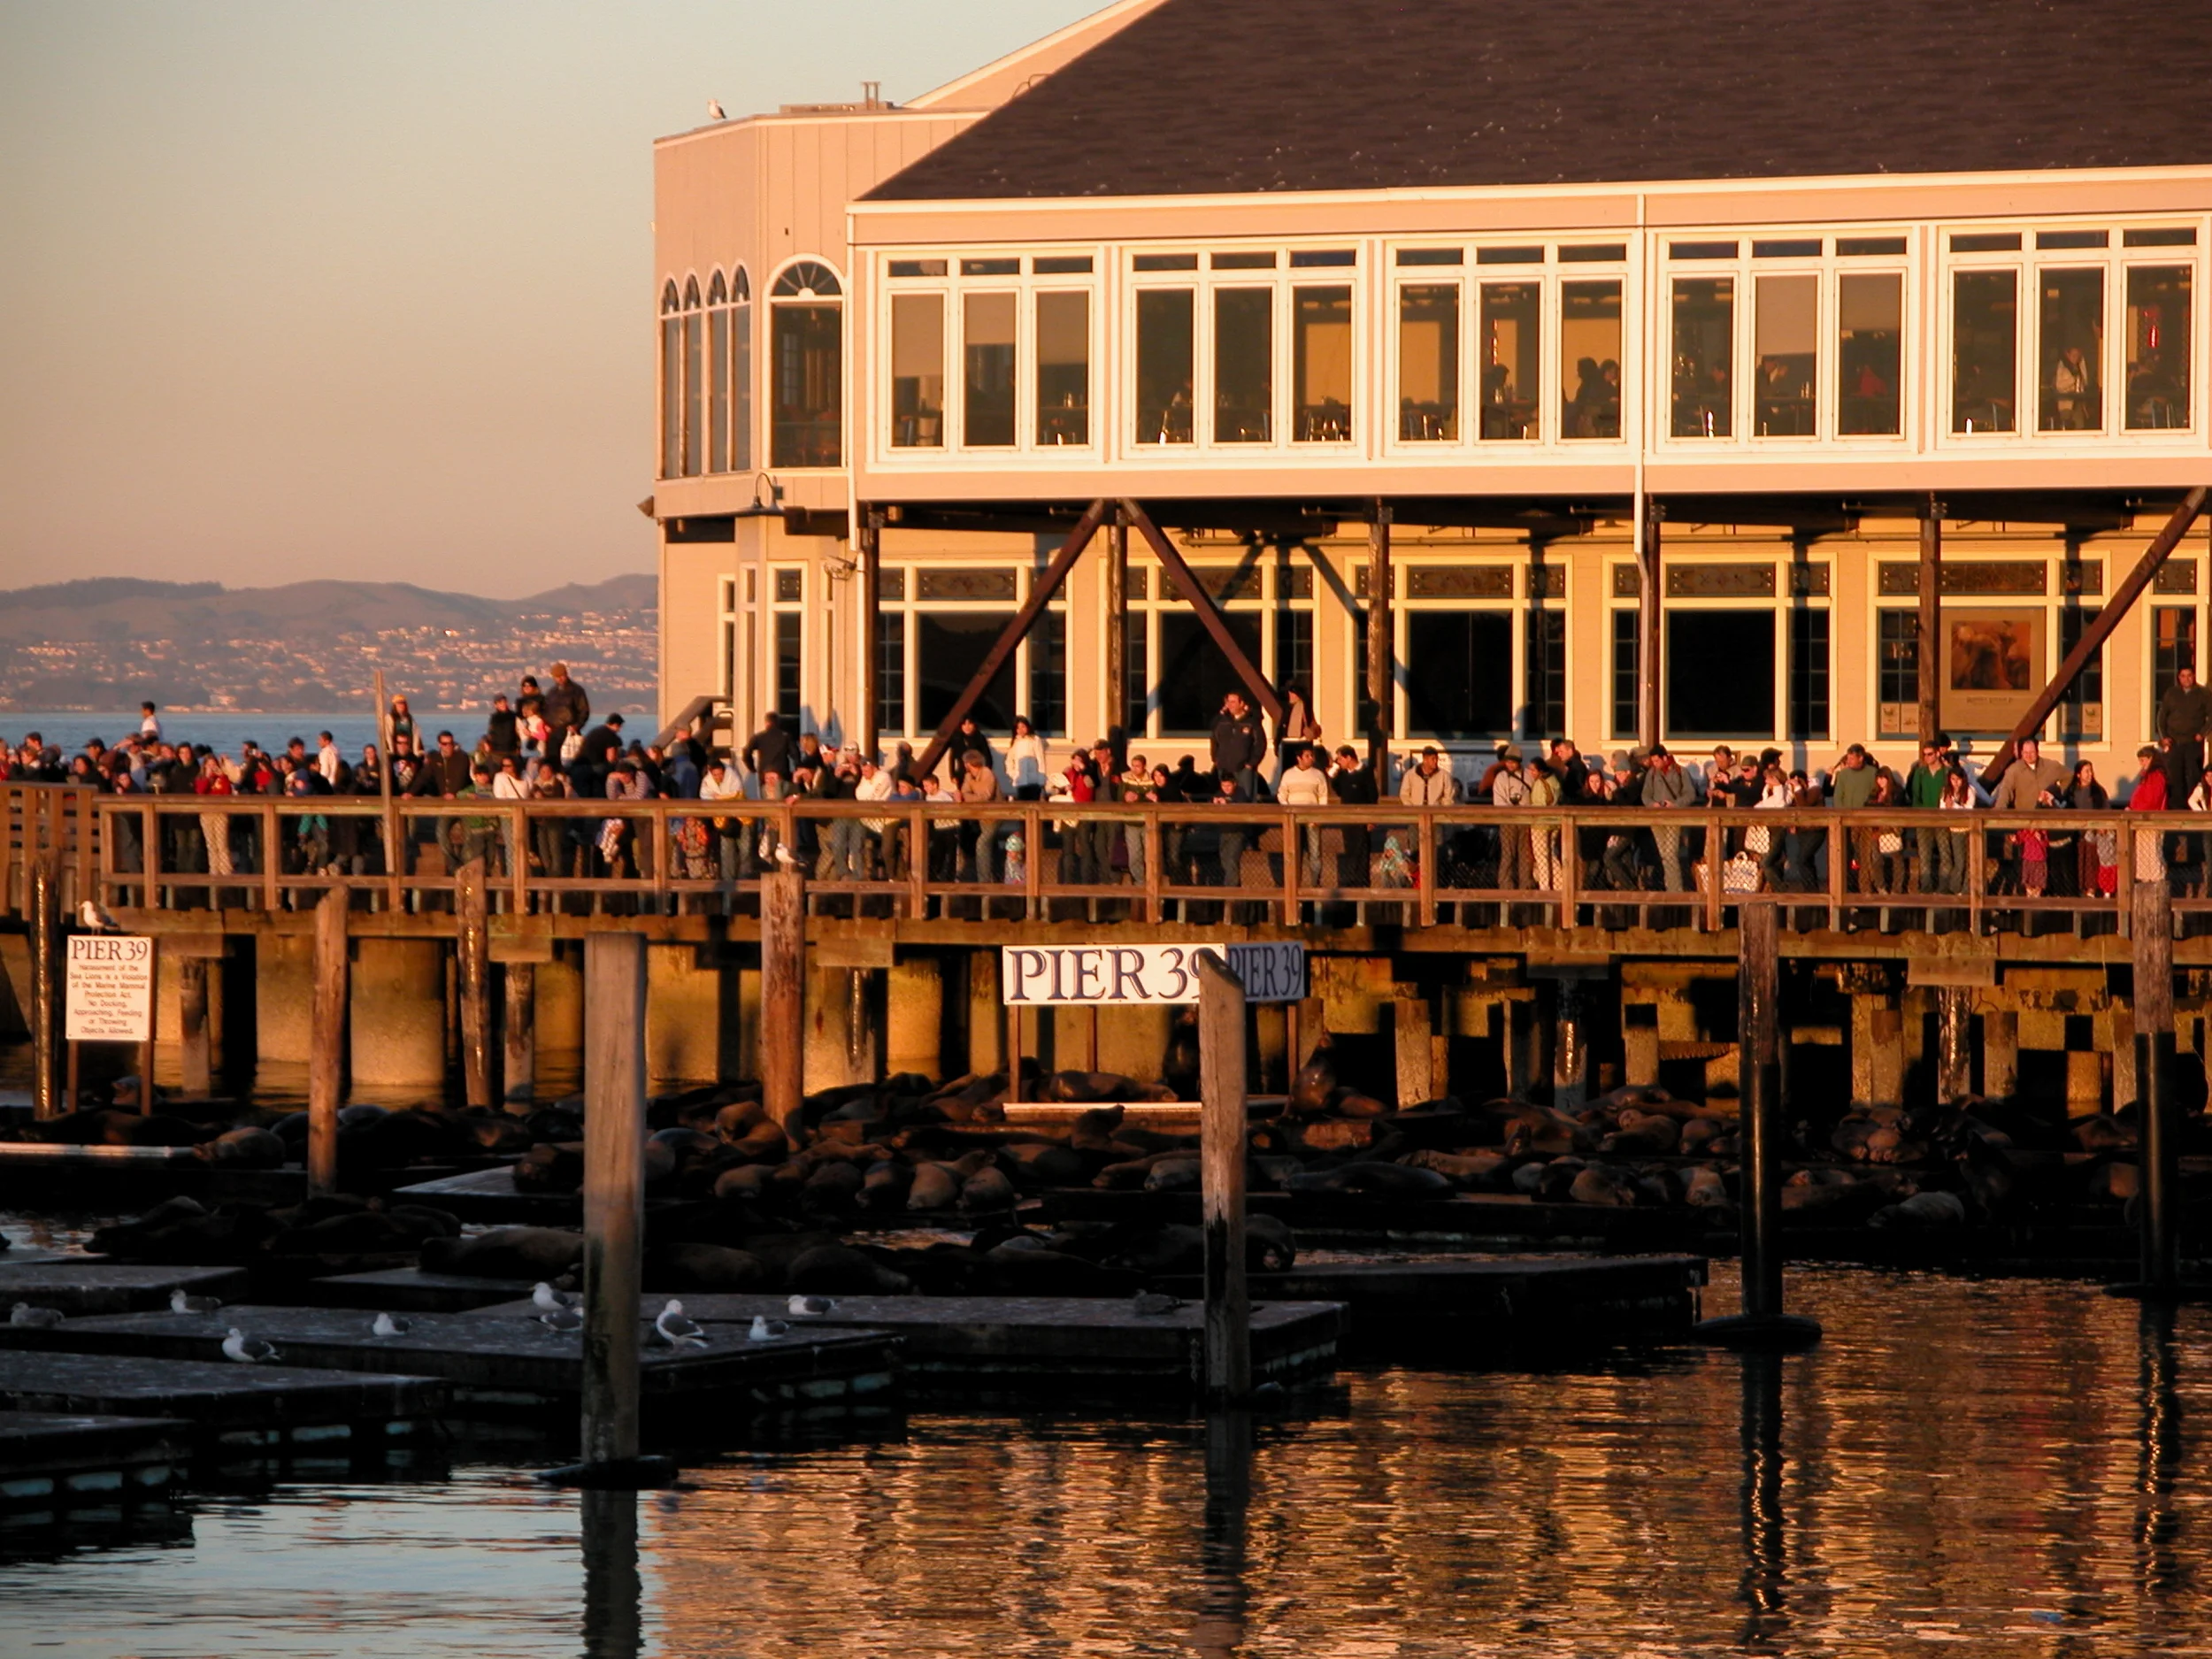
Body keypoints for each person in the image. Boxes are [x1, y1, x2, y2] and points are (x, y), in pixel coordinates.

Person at [1992, 737, 2067, 897]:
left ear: (2038, 751)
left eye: (2032, 752)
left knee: (2049, 865)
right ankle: (2023, 900)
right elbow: (2005, 792)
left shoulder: (2051, 766)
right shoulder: (2014, 770)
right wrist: (2000, 814)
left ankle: (2049, 898)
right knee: (2023, 866)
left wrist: (2059, 797)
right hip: (2024, 825)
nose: (2028, 755)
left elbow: (2069, 777)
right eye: (2025, 752)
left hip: (2048, 825)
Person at [1276, 741, 1330, 895]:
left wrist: (1320, 816)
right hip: (1293, 819)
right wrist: (1288, 811)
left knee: (1315, 852)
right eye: (1307, 756)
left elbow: (1323, 796)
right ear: (1299, 758)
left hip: (1312, 817)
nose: (1311, 758)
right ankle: (1294, 883)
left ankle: (1315, 883)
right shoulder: (1288, 774)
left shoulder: (1318, 775)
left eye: (1312, 755)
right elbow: (1281, 795)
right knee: (1294, 851)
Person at [2060, 758, 2116, 898]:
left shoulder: (2098, 791)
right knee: (2079, 863)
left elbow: (2106, 809)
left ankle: (2095, 889)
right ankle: (2081, 889)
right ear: (2078, 774)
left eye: (2091, 771)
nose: (2090, 774)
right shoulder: (2072, 792)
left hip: (2095, 834)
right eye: (2086, 771)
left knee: (2093, 863)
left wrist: (2104, 825)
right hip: (2077, 834)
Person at [2157, 664, 2208, 808]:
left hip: (2193, 741)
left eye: (2189, 675)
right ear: (2179, 678)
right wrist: (2164, 737)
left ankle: (2193, 808)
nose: (2186, 679)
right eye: (2183, 676)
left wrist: (2202, 733)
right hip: (2174, 741)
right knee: (2175, 777)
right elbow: (2161, 717)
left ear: (2194, 676)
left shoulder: (2203, 693)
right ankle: (2176, 811)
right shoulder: (2171, 693)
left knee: (2193, 775)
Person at [1209, 693, 1267, 795]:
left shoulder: (1252, 722)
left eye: (1233, 702)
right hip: (1224, 767)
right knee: (1225, 799)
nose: (1230, 705)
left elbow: (1260, 744)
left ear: (1241, 703)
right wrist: (1216, 759)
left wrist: (1251, 763)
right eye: (1228, 702)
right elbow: (1214, 740)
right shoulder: (1222, 722)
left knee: (1245, 800)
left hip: (1244, 769)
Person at [2129, 743, 2170, 879]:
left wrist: (2135, 810)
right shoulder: (2148, 775)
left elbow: (2152, 799)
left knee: (2152, 852)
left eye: (2143, 760)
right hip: (2142, 819)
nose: (2141, 764)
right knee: (2144, 854)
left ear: (2151, 758)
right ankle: (2147, 879)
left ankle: (2155, 879)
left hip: (2150, 819)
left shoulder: (2156, 776)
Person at [542, 662, 590, 760]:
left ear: (566, 674)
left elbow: (584, 711)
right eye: (557, 677)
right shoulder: (551, 692)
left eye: (562, 676)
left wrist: (577, 725)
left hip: (569, 731)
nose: (560, 679)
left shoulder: (577, 691)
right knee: (552, 760)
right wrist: (546, 725)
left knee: (569, 760)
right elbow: (545, 710)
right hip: (553, 732)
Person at [1006, 716, 1048, 801]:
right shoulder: (1015, 742)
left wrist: (1041, 780)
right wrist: (1014, 774)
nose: (1021, 730)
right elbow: (1009, 760)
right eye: (1018, 728)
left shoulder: (1035, 740)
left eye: (1023, 727)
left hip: (1034, 781)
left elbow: (1040, 760)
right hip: (1021, 781)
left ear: (1028, 727)